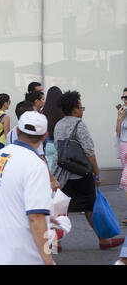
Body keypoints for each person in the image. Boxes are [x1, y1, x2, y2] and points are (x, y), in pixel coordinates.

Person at [51, 90, 125, 250]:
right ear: (74, 109)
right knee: (90, 206)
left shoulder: (58, 124)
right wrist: (97, 172)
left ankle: (54, 243)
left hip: (62, 173)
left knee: (59, 207)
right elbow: (89, 151)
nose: (82, 110)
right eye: (81, 107)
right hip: (80, 174)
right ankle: (104, 240)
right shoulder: (79, 124)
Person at [0, 111, 54, 265]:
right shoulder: (36, 165)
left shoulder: (0, 156)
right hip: (24, 257)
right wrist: (48, 260)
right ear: (44, 136)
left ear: (16, 131)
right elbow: (35, 217)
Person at [6, 101, 60, 192]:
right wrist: (52, 180)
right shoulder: (36, 163)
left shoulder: (10, 134)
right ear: (44, 136)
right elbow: (41, 157)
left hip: (11, 173)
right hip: (27, 175)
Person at [42, 86, 65, 169]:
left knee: (51, 168)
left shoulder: (44, 112)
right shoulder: (65, 111)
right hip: (63, 145)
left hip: (49, 144)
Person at [116, 87, 127, 225]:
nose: (125, 100)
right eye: (123, 97)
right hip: (123, 146)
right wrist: (119, 118)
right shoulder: (123, 113)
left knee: (126, 179)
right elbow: (118, 133)